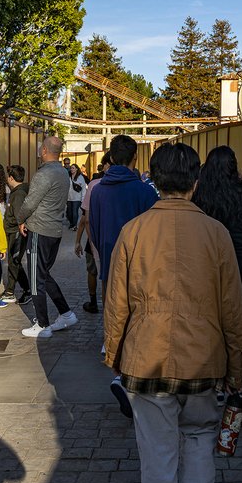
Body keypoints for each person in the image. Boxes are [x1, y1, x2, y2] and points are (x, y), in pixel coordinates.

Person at [104, 143, 242, 483]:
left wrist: (114, 355)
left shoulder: (133, 231)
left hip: (145, 357)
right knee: (199, 443)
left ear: (155, 179)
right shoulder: (216, 233)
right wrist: (237, 368)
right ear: (195, 181)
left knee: (156, 454)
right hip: (203, 358)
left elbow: (117, 304)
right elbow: (233, 310)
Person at [88, 134, 158, 412]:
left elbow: (93, 227)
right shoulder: (145, 192)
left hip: (108, 259)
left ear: (111, 157)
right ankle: (133, 374)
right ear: (134, 159)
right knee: (139, 317)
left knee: (114, 313)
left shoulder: (98, 190)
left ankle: (117, 363)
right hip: (141, 265)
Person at [192, 146, 242, 393]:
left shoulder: (199, 198)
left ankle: (211, 391)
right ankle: (240, 396)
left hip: (206, 268)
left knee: (209, 328)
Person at [16, 137, 76, 338]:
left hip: (39, 230)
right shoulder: (62, 172)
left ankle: (42, 324)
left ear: (43, 150)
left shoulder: (44, 174)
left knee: (35, 279)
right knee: (42, 275)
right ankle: (66, 313)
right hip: (54, 230)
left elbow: (30, 203)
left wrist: (20, 218)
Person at [74, 153, 111, 313]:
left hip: (94, 238)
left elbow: (85, 218)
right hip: (114, 238)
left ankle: (93, 301)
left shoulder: (95, 185)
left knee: (93, 271)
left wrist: (79, 241)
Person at [2, 166, 30, 305]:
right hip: (12, 230)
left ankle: (24, 290)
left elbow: (20, 215)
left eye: (8, 177)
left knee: (15, 261)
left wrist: (17, 225)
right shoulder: (17, 192)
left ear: (11, 178)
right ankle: (10, 290)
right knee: (13, 262)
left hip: (15, 232)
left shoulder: (18, 194)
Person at [65, 164, 85, 231]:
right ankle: (71, 223)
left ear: (76, 169)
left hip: (77, 198)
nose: (71, 169)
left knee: (74, 212)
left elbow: (83, 188)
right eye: (71, 168)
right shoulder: (68, 176)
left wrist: (83, 198)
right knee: (69, 212)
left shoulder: (80, 177)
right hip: (69, 198)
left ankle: (74, 225)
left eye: (73, 168)